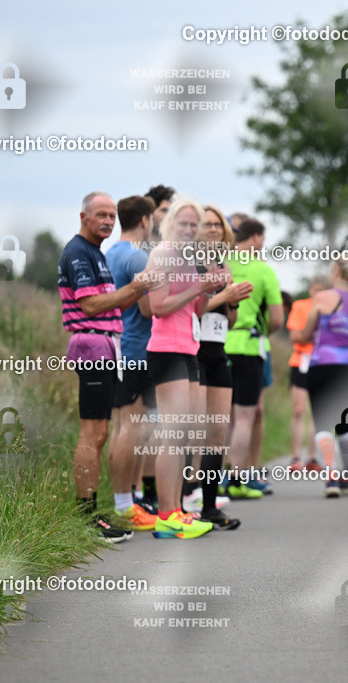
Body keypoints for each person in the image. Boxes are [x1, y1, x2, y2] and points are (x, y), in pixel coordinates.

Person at [57, 191, 160, 543]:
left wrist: (139, 288)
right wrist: (135, 287)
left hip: (105, 345)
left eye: (112, 216)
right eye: (100, 215)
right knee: (93, 432)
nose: (107, 221)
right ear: (83, 216)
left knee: (100, 432)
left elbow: (114, 302)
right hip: (92, 343)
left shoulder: (96, 253)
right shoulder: (79, 253)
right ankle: (87, 515)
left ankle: (92, 512)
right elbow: (90, 305)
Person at [146, 198, 226, 539]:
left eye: (195, 225)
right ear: (170, 225)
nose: (191, 230)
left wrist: (211, 287)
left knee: (183, 437)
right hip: (166, 350)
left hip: (189, 348)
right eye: (184, 224)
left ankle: (177, 509)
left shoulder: (190, 258)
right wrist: (198, 286)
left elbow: (195, 310)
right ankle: (166, 515)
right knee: (172, 435)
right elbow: (158, 307)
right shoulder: (162, 255)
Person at [185, 205, 251, 529]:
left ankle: (210, 506)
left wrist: (233, 299)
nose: (212, 230)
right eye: (207, 224)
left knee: (217, 433)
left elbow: (230, 319)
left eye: (217, 225)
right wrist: (224, 292)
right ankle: (183, 501)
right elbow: (188, 310)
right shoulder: (189, 262)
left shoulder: (223, 264)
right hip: (192, 350)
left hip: (217, 349)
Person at [292, 260, 348, 497]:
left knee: (323, 422)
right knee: (345, 423)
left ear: (335, 272)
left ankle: (331, 478)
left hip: (322, 363)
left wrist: (299, 335)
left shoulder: (322, 298)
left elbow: (305, 333)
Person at [105, 195, 159, 531]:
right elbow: (148, 309)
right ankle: (124, 505)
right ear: (144, 220)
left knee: (124, 426)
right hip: (135, 348)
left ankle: (127, 501)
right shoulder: (137, 256)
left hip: (116, 347)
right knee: (130, 427)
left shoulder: (110, 252)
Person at [222, 218, 284, 498]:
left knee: (223, 417)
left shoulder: (222, 264)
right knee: (245, 417)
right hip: (248, 346)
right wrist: (263, 332)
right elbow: (277, 318)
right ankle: (237, 477)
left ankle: (217, 476)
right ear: (256, 238)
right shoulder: (263, 270)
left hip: (218, 344)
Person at [285, 275, 330, 472]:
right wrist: (314, 334)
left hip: (323, 362)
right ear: (310, 289)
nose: (318, 293)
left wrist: (307, 334)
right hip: (301, 362)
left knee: (316, 413)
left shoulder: (331, 308)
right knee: (298, 410)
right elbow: (295, 336)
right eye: (315, 289)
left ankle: (312, 458)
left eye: (322, 290)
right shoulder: (301, 306)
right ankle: (295, 457)